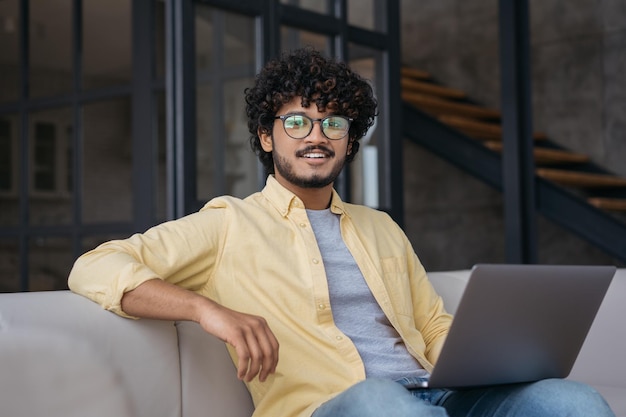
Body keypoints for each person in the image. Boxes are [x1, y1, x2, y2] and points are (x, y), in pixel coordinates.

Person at [68, 48, 614, 417]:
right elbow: (94, 265)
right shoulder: (229, 222)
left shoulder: (380, 227)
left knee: (572, 400)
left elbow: (430, 322)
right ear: (266, 137)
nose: (317, 136)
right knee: (383, 403)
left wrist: (493, 358)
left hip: (434, 394)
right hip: (338, 406)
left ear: (348, 142)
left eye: (334, 123)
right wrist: (207, 310)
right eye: (297, 121)